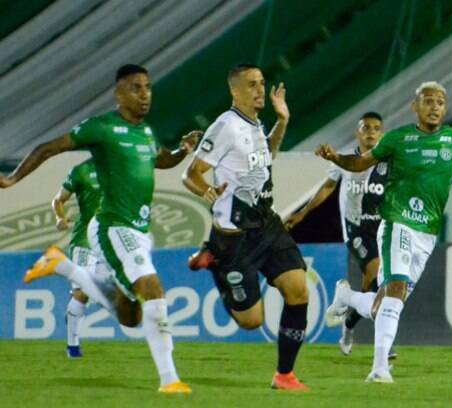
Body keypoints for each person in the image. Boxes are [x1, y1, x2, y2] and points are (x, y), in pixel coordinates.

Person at [0, 64, 201, 394]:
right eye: (136, 88)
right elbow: (49, 147)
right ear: (118, 95)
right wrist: (12, 179)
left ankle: (63, 266)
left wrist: (183, 150)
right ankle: (170, 380)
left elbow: (161, 160)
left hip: (139, 230)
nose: (145, 94)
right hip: (112, 225)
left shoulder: (146, 133)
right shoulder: (102, 128)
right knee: (154, 289)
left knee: (131, 316)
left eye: (148, 87)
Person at [315, 81, 452, 383]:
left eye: (440, 102)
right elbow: (361, 161)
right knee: (397, 290)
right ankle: (379, 369)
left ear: (445, 108)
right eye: (428, 101)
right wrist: (335, 157)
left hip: (426, 233)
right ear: (414, 107)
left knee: (384, 305)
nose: (434, 106)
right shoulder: (398, 139)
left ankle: (347, 297)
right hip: (396, 222)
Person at [182, 63, 310, 391]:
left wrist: (283, 121)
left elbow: (269, 155)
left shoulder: (255, 125)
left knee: (298, 291)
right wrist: (206, 190)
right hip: (234, 237)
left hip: (266, 224)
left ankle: (284, 375)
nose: (259, 90)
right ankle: (213, 258)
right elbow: (191, 174)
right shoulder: (224, 127)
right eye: (251, 84)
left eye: (262, 83)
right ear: (235, 91)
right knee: (251, 321)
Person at [284, 111, 396, 359]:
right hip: (356, 230)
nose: (370, 131)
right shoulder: (345, 160)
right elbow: (327, 187)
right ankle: (386, 343)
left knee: (371, 291)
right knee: (380, 277)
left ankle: (348, 322)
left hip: (382, 230)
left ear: (382, 133)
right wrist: (302, 213)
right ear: (358, 132)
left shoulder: (390, 160)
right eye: (365, 127)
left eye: (376, 127)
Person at [52, 158, 101, 358]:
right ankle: (73, 346)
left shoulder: (121, 166)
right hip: (84, 240)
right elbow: (58, 200)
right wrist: (59, 218)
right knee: (82, 293)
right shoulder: (80, 171)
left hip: (111, 240)